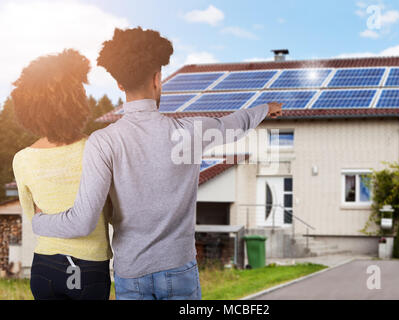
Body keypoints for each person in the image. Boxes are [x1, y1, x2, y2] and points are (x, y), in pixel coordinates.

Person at [31, 27, 283, 300]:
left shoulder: (103, 142)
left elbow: (82, 222)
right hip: (179, 270)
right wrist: (265, 109)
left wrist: (39, 222)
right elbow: (233, 124)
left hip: (131, 274)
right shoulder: (190, 132)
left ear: (119, 84)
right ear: (157, 78)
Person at [12, 49, 113, 300]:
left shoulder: (22, 159)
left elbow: (34, 217)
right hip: (89, 266)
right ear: (77, 100)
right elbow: (110, 211)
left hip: (44, 265)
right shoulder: (96, 148)